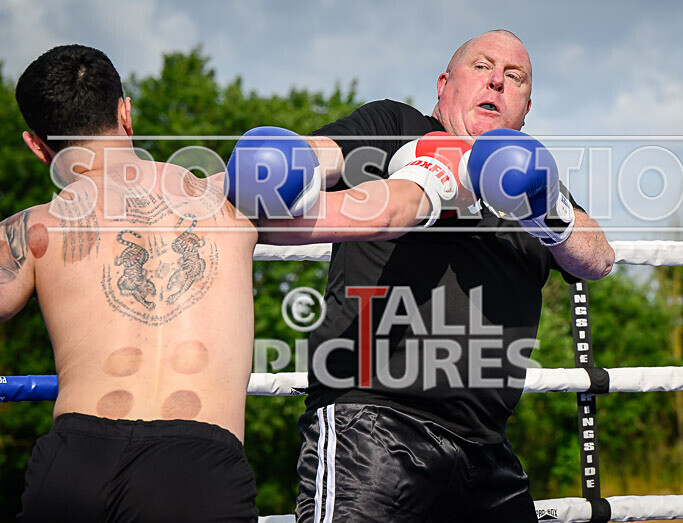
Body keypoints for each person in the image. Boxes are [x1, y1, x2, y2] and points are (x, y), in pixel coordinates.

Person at [5, 44, 443, 522]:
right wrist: (443, 172)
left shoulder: (32, 231)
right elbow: (382, 214)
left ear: (36, 144)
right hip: (193, 468)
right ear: (125, 113)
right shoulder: (225, 200)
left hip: (75, 461)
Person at [286, 30, 616, 522]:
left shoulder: (533, 179)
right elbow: (322, 152)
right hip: (375, 427)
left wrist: (548, 209)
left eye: (515, 77)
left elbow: (599, 259)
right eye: (482, 67)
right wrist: (284, 163)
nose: (498, 82)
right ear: (445, 84)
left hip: (488, 449)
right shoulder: (395, 126)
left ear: (526, 109)